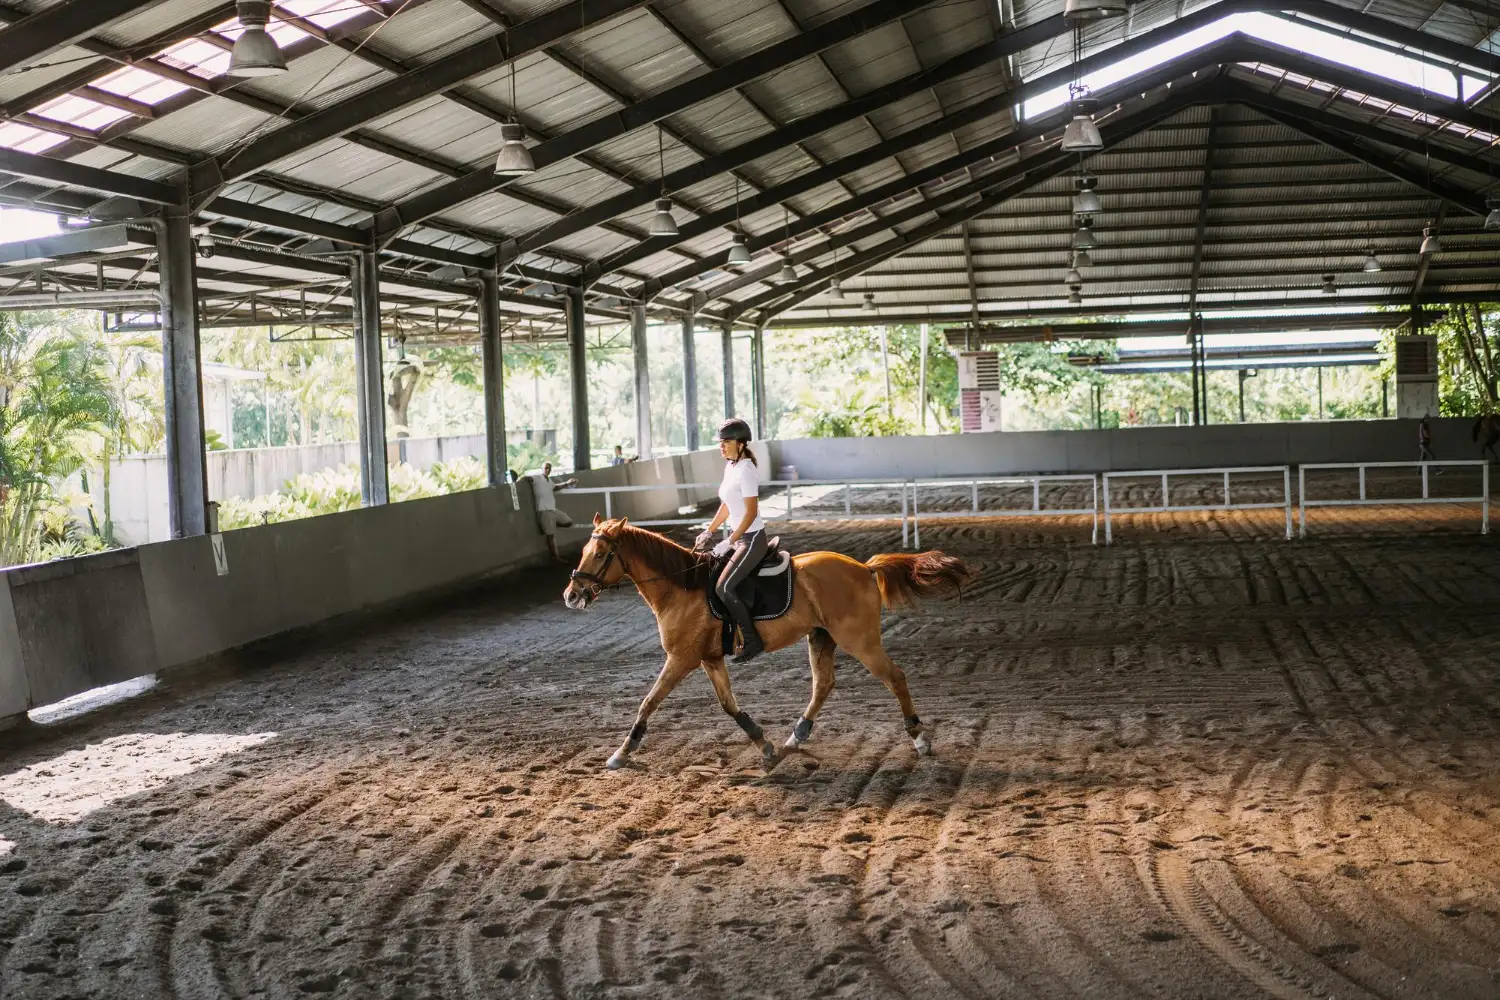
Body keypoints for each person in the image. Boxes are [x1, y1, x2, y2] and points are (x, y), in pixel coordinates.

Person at [695, 418, 767, 663]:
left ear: (741, 443)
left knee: (723, 587)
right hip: (738, 539)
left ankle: (753, 641)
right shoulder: (730, 468)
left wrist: (729, 540)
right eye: (721, 442)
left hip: (752, 539)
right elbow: (726, 505)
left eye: (726, 442)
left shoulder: (746, 470)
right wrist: (709, 531)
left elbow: (750, 513)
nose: (721, 447)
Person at [528, 461, 577, 562]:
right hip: (544, 510)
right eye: (546, 468)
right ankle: (556, 557)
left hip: (552, 509)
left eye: (549, 468)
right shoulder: (537, 478)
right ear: (542, 468)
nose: (547, 470)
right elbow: (526, 478)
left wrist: (567, 483)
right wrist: (518, 481)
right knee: (551, 536)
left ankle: (549, 527)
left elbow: (555, 487)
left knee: (568, 522)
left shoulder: (549, 480)